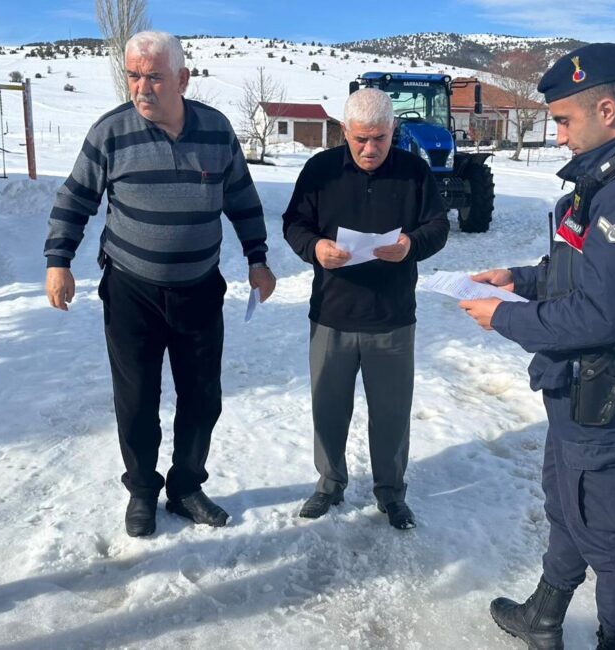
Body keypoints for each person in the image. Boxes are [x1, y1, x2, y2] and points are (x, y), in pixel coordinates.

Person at [460, 43, 615, 650]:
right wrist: (519, 279)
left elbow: (598, 313)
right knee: (568, 504)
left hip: (607, 388)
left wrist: (505, 319)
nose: (560, 135)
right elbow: (581, 271)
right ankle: (545, 615)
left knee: (611, 536)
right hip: (577, 387)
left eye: (565, 121)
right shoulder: (607, 177)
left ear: (607, 109)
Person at [44, 31, 276, 538]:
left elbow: (242, 199)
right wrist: (58, 260)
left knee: (202, 396)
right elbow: (75, 197)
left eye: (154, 76)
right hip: (132, 291)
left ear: (183, 79)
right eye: (133, 75)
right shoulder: (111, 133)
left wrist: (258, 259)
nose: (142, 88)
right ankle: (143, 492)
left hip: (198, 288)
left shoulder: (215, 132)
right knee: (136, 399)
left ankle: (187, 486)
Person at [282, 88, 449, 530]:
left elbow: (438, 226)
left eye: (379, 138)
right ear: (345, 132)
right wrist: (315, 247)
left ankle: (391, 493)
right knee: (329, 408)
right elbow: (293, 224)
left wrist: (411, 245)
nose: (370, 149)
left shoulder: (413, 172)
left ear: (393, 130)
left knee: (392, 413)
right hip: (331, 316)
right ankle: (329, 484)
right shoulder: (320, 171)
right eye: (360, 139)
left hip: (392, 318)